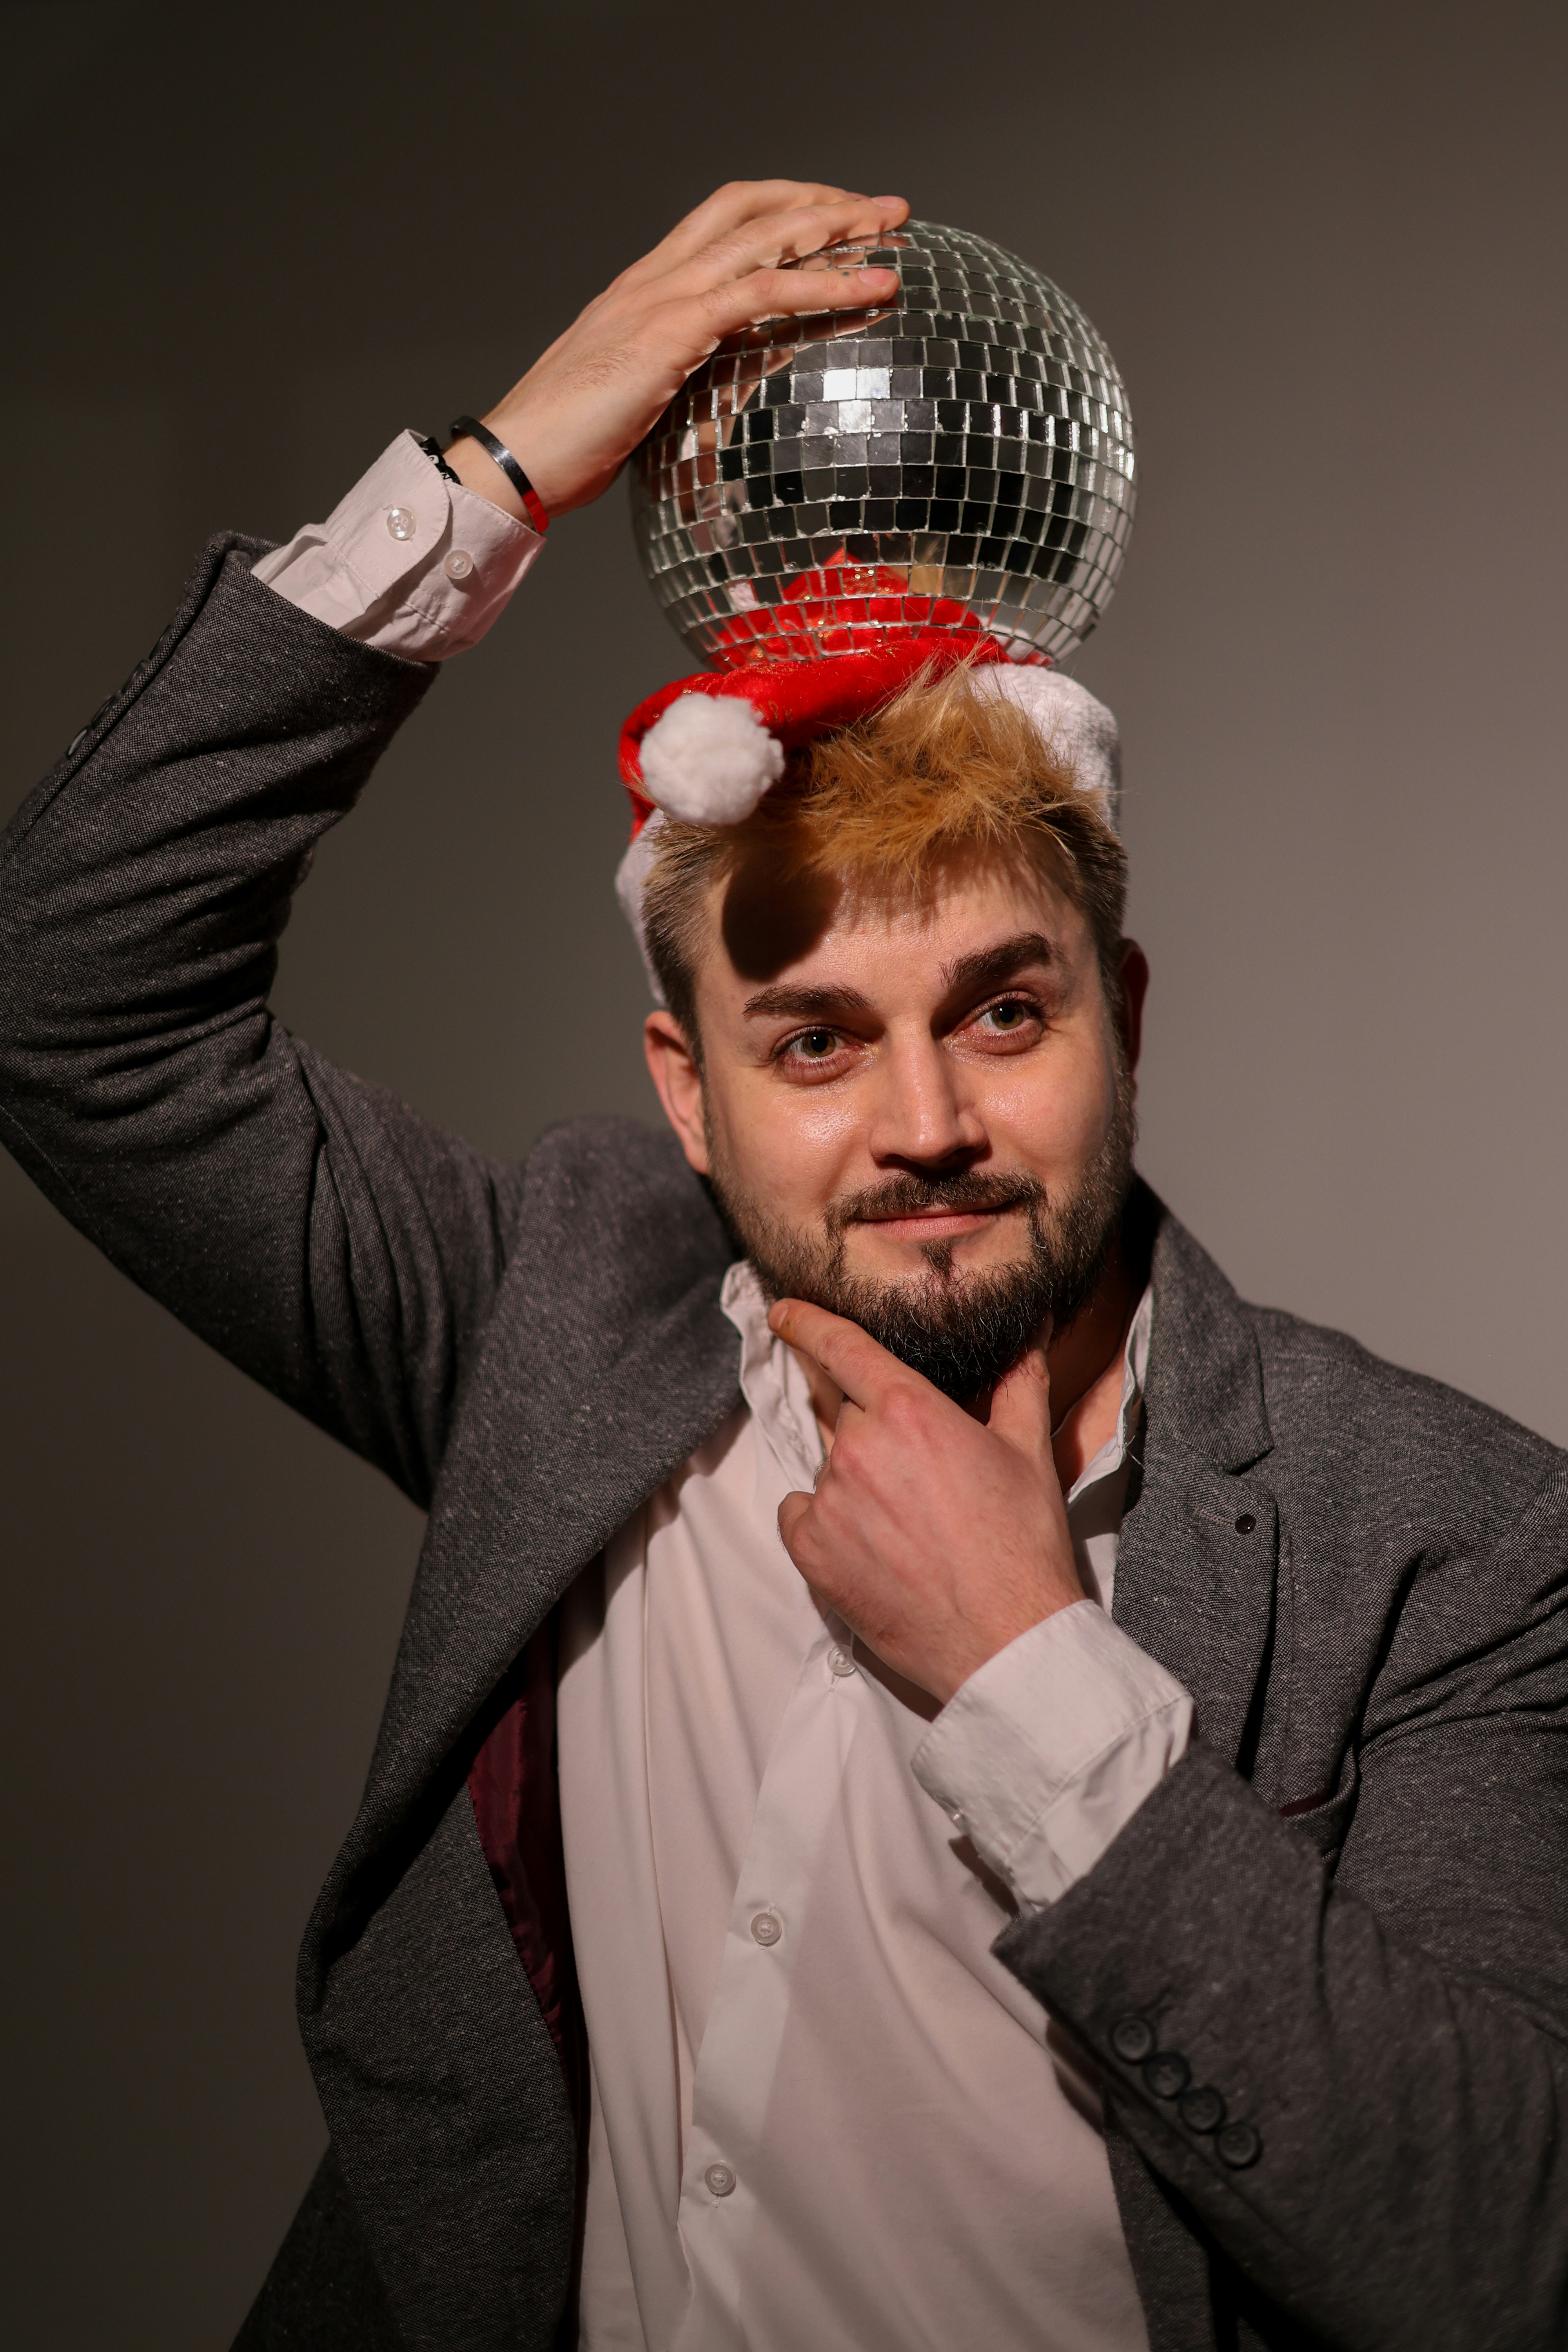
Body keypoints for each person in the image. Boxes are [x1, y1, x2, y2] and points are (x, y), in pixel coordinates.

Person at [1, 180, 1564, 2352]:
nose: (924, 1121)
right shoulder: (535, 1324)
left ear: (1128, 1012)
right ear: (685, 1087)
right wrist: (502, 473)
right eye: (813, 1038)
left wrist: (1039, 1687)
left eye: (1004, 1012)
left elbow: (1499, 2258)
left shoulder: (1457, 1544)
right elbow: (68, 992)